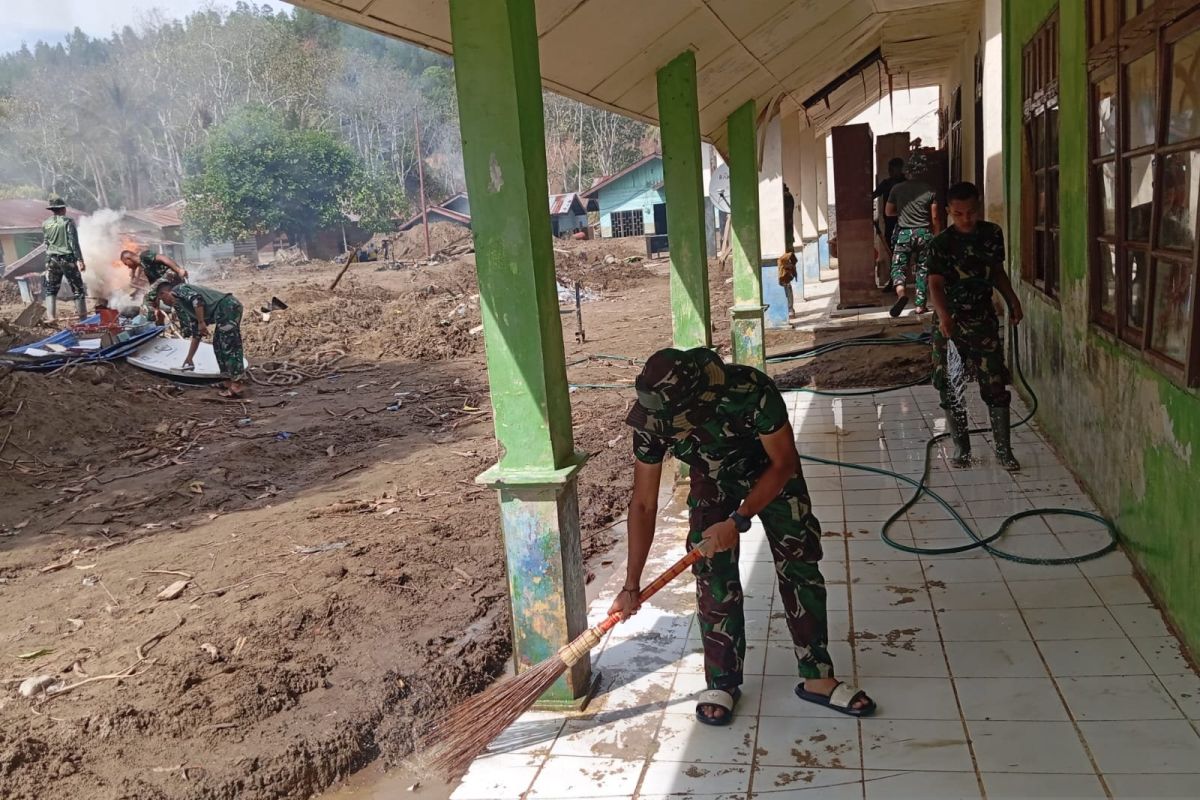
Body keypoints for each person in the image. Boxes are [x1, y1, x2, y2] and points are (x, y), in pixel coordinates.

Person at [612, 347, 875, 726]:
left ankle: (818, 676)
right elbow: (643, 504)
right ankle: (722, 681)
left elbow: (785, 462)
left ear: (700, 402)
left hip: (771, 473)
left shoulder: (750, 389)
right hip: (713, 479)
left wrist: (738, 520)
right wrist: (631, 584)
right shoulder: (653, 421)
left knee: (799, 562)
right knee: (711, 571)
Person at [926, 181, 1024, 470]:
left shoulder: (992, 234)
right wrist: (944, 317)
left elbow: (997, 271)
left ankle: (1004, 451)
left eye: (970, 212)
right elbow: (935, 284)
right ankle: (962, 448)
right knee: (950, 384)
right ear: (948, 212)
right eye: (958, 214)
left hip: (982, 320)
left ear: (978, 207)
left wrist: (1012, 300)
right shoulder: (941, 244)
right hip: (951, 324)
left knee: (994, 382)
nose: (966, 219)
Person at [149, 282, 246, 398]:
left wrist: (201, 322)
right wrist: (190, 358)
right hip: (223, 311)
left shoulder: (179, 289)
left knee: (229, 344)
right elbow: (196, 335)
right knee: (218, 344)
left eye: (162, 299)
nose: (164, 303)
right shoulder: (187, 307)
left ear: (165, 293)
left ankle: (237, 384)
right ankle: (227, 379)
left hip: (227, 306)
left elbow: (197, 299)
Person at [886, 161, 941, 313]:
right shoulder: (930, 190)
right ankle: (920, 305)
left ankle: (901, 293)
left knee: (898, 267)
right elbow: (935, 217)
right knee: (923, 269)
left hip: (904, 234)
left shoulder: (896, 189)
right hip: (924, 233)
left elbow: (888, 212)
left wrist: (903, 213)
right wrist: (936, 236)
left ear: (905, 173)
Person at [41, 195, 87, 322]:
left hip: (51, 259)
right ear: (62, 209)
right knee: (78, 289)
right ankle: (83, 318)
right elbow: (73, 242)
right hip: (67, 259)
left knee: (51, 289)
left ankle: (51, 317)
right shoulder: (68, 222)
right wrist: (80, 260)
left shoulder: (45, 224)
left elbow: (46, 243)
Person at [121, 248, 188, 322]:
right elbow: (153, 285)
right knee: (163, 299)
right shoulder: (145, 268)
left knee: (147, 297)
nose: (128, 266)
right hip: (166, 281)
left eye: (126, 264)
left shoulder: (144, 256)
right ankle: (161, 321)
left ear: (128, 258)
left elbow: (163, 258)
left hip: (170, 275)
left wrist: (179, 270)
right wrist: (156, 306)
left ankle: (149, 323)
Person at [872, 157, 907, 249]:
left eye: (892, 169)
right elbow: (874, 195)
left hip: (905, 221)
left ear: (899, 169)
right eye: (889, 169)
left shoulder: (907, 184)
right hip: (890, 221)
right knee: (890, 246)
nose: (890, 172)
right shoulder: (886, 183)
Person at [778, 251, 798, 316]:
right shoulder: (782, 261)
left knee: (788, 289)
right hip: (783, 276)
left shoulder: (787, 260)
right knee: (787, 290)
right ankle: (790, 309)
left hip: (786, 276)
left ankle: (790, 309)